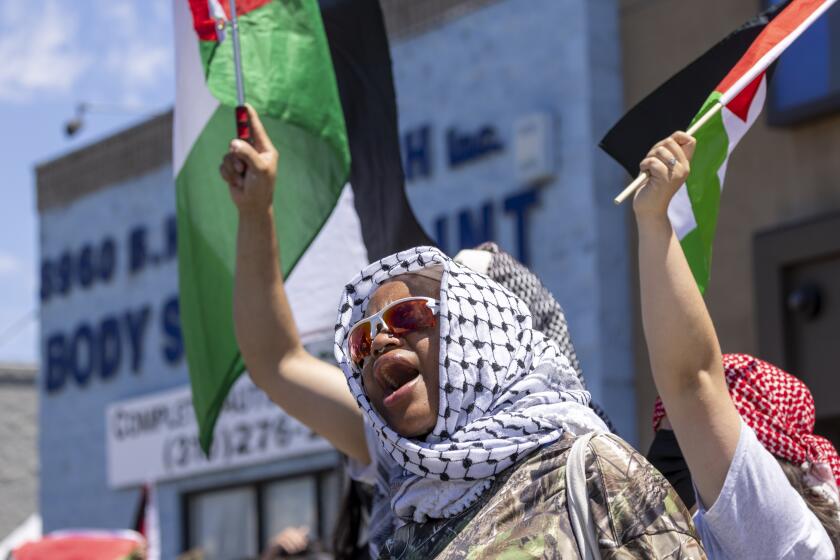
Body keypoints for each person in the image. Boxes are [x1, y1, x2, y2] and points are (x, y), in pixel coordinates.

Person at [220, 106, 705, 558]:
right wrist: (255, 211)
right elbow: (277, 362)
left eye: (408, 317)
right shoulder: (403, 473)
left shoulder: (595, 470)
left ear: (486, 337)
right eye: (362, 344)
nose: (380, 344)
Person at [632, 131, 840, 558]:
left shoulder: (783, 539)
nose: (674, 453)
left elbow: (692, 382)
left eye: (692, 435)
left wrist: (655, 221)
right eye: (673, 438)